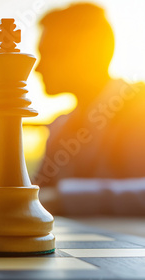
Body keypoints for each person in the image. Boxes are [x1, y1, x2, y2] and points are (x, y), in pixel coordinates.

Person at [34, 3, 145, 214]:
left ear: (91, 53)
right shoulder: (60, 126)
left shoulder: (139, 109)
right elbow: (38, 194)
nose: (38, 67)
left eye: (51, 52)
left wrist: (64, 198)